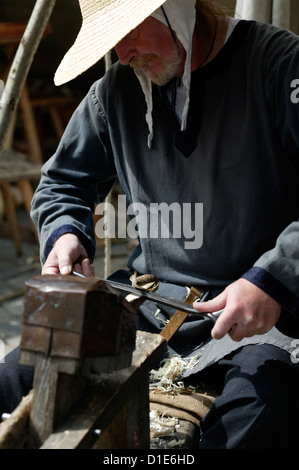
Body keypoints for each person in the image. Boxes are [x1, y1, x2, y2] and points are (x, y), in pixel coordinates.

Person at [1, 0, 299, 449]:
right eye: (112, 41)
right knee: (15, 375)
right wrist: (64, 233)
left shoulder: (278, 64)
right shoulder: (115, 90)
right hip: (151, 302)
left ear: (176, 10)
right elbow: (61, 182)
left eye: (130, 31)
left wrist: (273, 279)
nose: (123, 53)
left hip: (261, 315)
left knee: (257, 414)